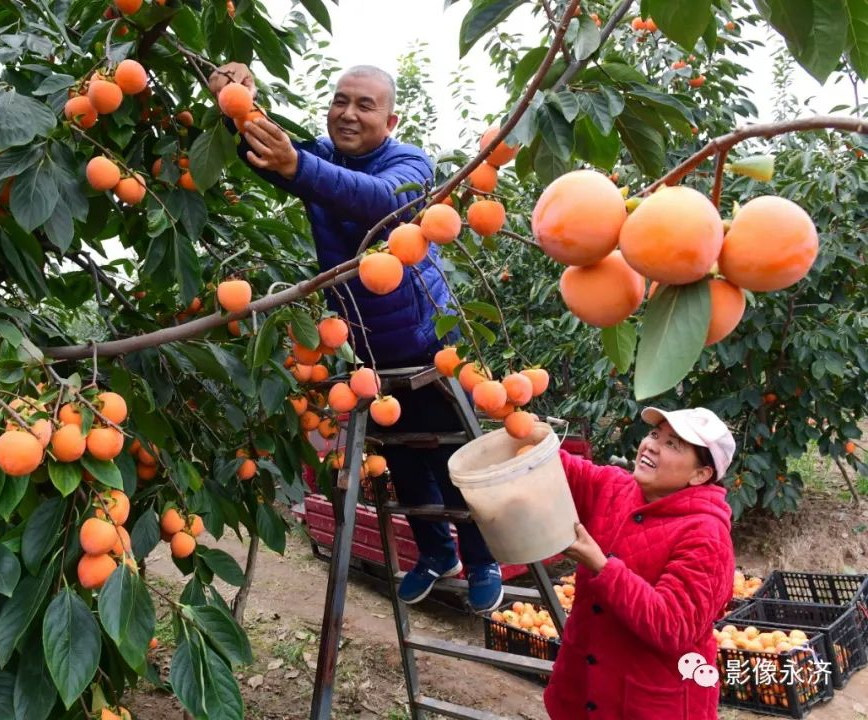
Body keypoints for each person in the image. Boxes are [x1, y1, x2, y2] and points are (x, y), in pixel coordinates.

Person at [206, 63, 504, 611]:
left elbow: (379, 200)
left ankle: (484, 559)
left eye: (364, 105)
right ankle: (438, 553)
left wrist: (300, 166)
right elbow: (269, 153)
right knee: (401, 455)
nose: (348, 113)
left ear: (390, 119)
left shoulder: (410, 163)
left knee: (452, 457)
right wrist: (234, 101)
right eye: (340, 101)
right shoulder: (319, 158)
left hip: (424, 342)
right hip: (364, 346)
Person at [547, 406, 737, 720]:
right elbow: (560, 470)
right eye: (654, 434)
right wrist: (526, 429)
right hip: (582, 694)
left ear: (700, 474)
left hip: (649, 706)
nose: (651, 445)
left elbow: (672, 626)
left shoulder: (707, 536)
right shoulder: (617, 488)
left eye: (672, 444)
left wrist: (601, 567)